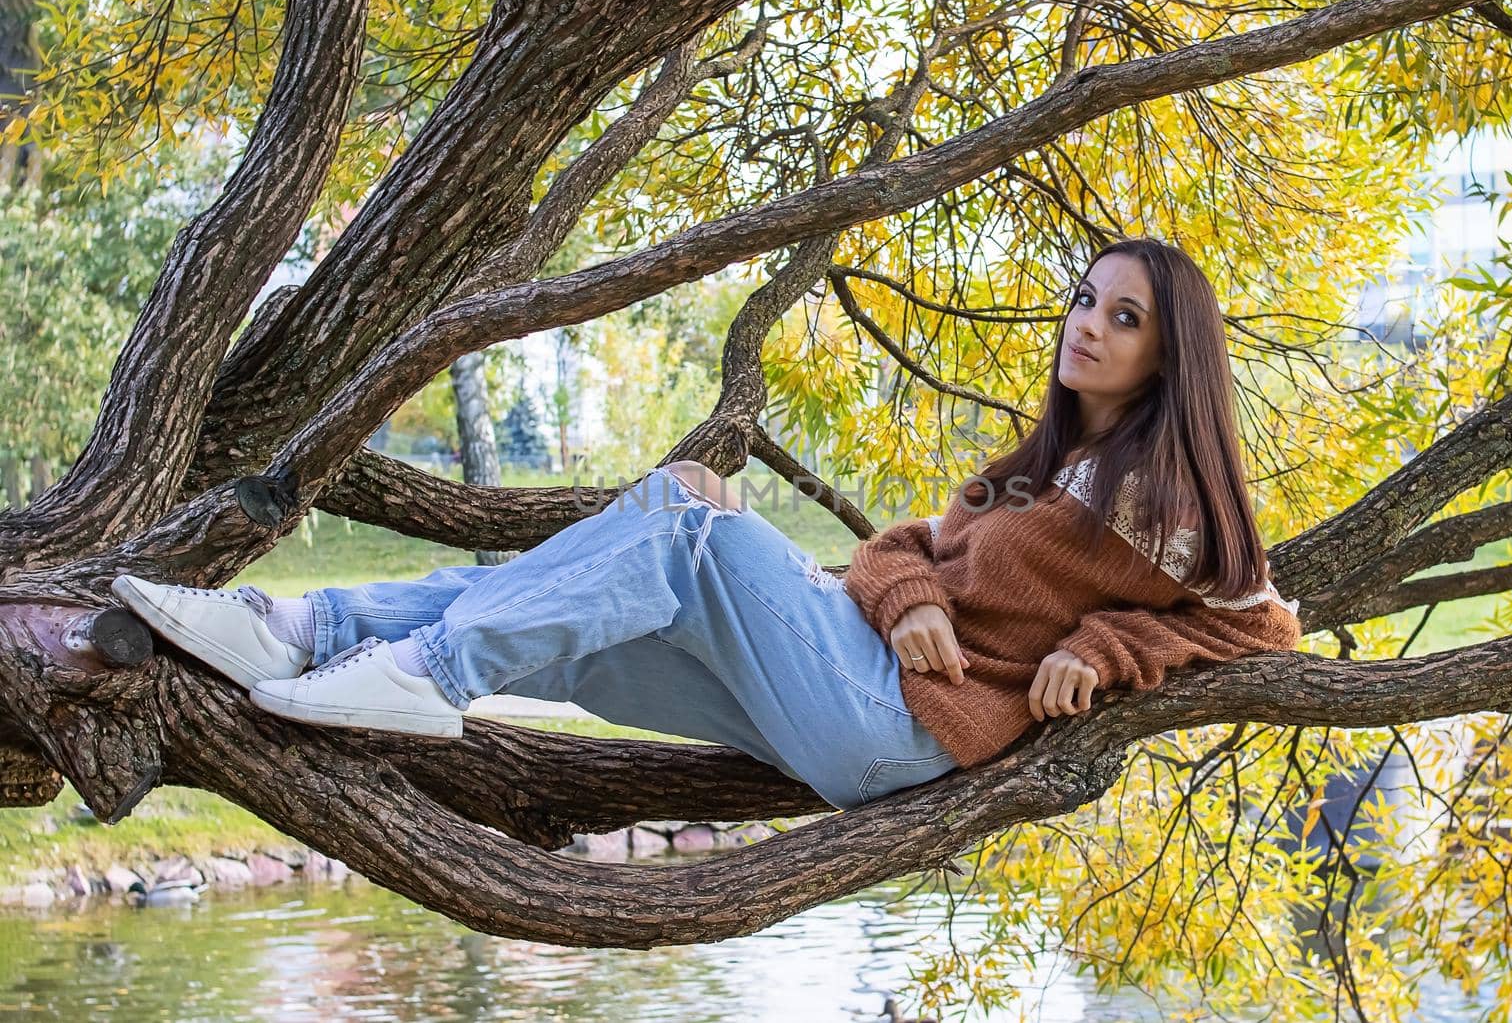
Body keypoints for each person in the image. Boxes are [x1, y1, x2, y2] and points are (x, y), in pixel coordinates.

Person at [112, 235, 1302, 811]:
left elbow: (1261, 629)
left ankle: (422, 666)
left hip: (897, 728)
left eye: (1124, 314)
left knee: (692, 520)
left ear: (1167, 352)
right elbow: (895, 550)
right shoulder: (1039, 467)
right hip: (845, 680)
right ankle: (299, 628)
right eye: (1084, 299)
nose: (1086, 324)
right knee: (599, 612)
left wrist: (1100, 649)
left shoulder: (1160, 499)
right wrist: (916, 594)